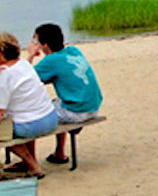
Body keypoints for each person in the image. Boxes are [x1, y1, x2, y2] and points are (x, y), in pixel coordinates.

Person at [26, 23, 102, 164]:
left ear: (45, 44)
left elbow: (23, 78)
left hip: (76, 111)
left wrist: (30, 55)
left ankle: (30, 161)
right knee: (56, 102)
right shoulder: (73, 51)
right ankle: (59, 152)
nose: (34, 43)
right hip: (92, 106)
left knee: (29, 114)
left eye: (35, 40)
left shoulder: (51, 60)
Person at [0, 32, 57, 178]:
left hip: (32, 124)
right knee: (19, 117)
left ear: (3, 54)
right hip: (50, 117)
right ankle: (25, 162)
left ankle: (31, 165)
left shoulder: (3, 76)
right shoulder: (24, 64)